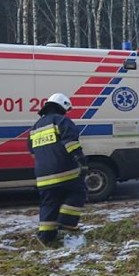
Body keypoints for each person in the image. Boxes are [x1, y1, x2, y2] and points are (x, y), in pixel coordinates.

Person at [27, 93, 87, 246]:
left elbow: (32, 151)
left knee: (49, 204)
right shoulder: (61, 121)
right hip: (64, 171)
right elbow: (71, 143)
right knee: (78, 192)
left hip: (42, 176)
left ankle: (46, 237)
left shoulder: (35, 127)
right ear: (62, 107)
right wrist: (81, 161)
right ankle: (66, 225)